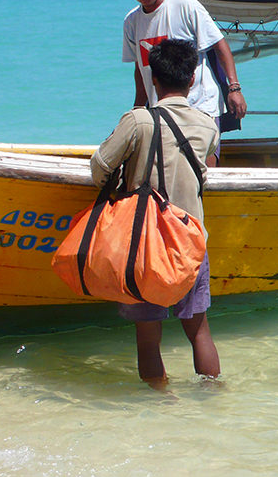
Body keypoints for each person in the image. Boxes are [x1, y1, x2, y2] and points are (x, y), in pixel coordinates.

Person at [91, 39, 221, 387]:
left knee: (148, 337)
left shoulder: (138, 121)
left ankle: (159, 406)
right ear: (191, 79)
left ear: (153, 79)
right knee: (199, 330)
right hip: (190, 241)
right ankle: (212, 397)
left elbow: (99, 166)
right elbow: (202, 171)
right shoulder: (208, 125)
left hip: (144, 244)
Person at [121, 0, 246, 166]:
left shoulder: (185, 6)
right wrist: (138, 109)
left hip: (200, 104)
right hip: (161, 111)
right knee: (168, 172)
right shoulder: (132, 22)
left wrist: (234, 88)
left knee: (204, 171)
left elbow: (220, 45)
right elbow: (140, 68)